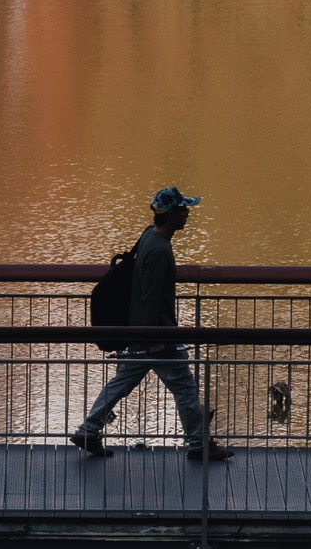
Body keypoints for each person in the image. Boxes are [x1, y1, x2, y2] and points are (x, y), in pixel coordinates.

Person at [71, 186, 230, 462]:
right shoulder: (159, 250)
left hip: (143, 329)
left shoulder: (150, 236)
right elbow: (150, 296)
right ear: (171, 215)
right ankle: (198, 445)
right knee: (185, 387)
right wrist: (153, 337)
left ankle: (88, 431)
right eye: (183, 210)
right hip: (158, 332)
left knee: (122, 381)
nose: (187, 214)